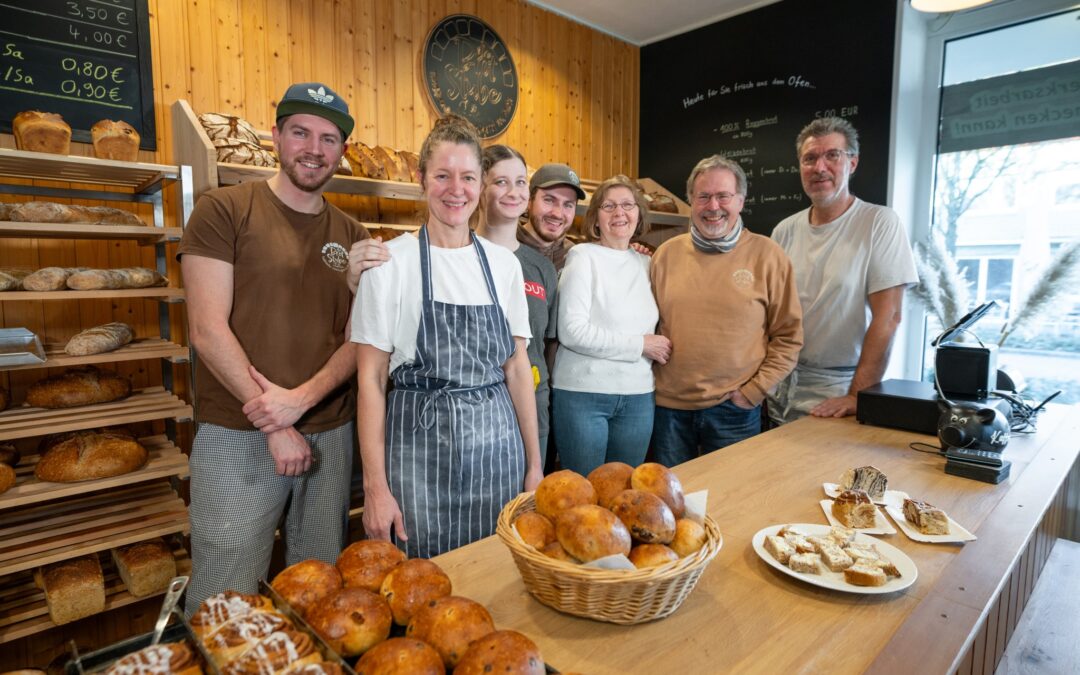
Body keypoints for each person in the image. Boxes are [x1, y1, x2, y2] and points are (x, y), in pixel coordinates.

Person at [179, 82, 388, 614]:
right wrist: (277, 422)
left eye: (328, 138)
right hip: (237, 431)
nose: (313, 148)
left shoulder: (351, 232)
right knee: (226, 588)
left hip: (330, 433)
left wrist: (300, 401)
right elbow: (206, 329)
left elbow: (357, 338)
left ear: (342, 151)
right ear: (276, 136)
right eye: (300, 132)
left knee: (316, 588)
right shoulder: (223, 209)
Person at [352, 116, 543, 559]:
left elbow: (517, 369)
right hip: (417, 457)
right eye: (442, 175)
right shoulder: (390, 263)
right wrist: (375, 489)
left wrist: (534, 466)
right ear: (422, 180)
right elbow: (371, 381)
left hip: (498, 455)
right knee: (417, 581)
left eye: (468, 177)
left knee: (497, 577)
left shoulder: (503, 265)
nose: (455, 189)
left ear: (481, 185)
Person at [650, 155, 803, 466]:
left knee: (732, 503)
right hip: (667, 410)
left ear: (741, 201)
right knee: (670, 509)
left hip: (735, 410)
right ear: (691, 201)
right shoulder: (665, 255)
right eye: (703, 196)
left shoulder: (768, 255)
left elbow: (789, 337)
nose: (713, 206)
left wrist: (754, 391)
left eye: (723, 196)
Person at [768, 117, 918, 424]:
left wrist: (856, 396)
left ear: (853, 162)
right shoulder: (784, 231)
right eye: (810, 158)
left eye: (832, 155)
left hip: (838, 391)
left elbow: (889, 317)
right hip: (780, 386)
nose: (819, 167)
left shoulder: (879, 223)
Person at [550, 176, 670, 476]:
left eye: (628, 205)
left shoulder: (648, 264)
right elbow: (572, 331)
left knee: (626, 495)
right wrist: (640, 345)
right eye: (609, 206)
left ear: (639, 213)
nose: (620, 212)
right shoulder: (582, 256)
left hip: (638, 396)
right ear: (596, 218)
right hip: (582, 395)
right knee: (582, 496)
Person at [477, 145, 559, 468]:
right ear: (479, 188)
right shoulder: (462, 256)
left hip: (533, 412)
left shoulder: (542, 268)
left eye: (521, 182)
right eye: (500, 182)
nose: (514, 192)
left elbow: (546, 345)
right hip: (479, 411)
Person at [516, 163, 586, 271]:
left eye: (568, 205)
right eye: (549, 200)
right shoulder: (507, 246)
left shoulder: (574, 256)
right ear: (529, 200)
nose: (557, 214)